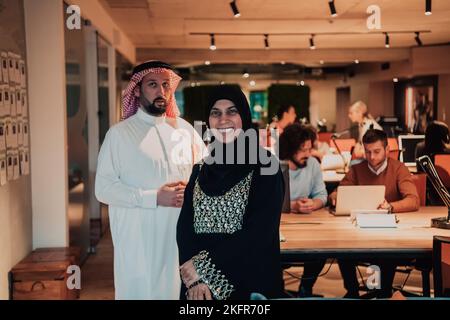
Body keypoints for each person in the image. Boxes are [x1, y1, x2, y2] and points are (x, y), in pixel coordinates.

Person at [95, 61, 205, 299]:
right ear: (136, 89)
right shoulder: (119, 135)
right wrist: (154, 197)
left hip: (182, 242)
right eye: (153, 84)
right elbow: (103, 189)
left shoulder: (185, 131)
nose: (161, 91)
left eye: (166, 85)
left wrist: (193, 190)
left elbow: (208, 176)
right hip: (139, 246)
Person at [176, 86, 285, 300]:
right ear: (208, 121)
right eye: (215, 113)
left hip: (248, 283)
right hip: (198, 289)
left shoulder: (264, 165)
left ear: (244, 116)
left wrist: (201, 268)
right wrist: (195, 278)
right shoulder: (200, 169)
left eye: (231, 111)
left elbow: (259, 233)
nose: (223, 119)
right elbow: (184, 227)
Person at [330, 129, 420, 298]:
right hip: (360, 231)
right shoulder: (357, 169)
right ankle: (353, 291)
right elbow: (338, 192)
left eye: (377, 151)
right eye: (367, 152)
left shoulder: (398, 168)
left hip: (390, 234)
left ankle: (381, 292)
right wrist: (335, 196)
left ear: (387, 150)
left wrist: (391, 207)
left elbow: (413, 200)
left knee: (384, 253)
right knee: (341, 248)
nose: (371, 157)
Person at [279, 123, 328, 297]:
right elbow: (263, 201)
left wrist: (313, 204)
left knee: (323, 248)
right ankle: (278, 290)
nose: (308, 154)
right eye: (303, 150)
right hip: (280, 227)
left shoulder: (312, 164)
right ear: (290, 149)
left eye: (309, 149)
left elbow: (322, 195)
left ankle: (306, 287)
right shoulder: (274, 165)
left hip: (306, 227)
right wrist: (292, 206)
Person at [415, 121, 450, 205]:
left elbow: (419, 171)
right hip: (446, 189)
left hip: (430, 189)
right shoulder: (447, 152)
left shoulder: (420, 148)